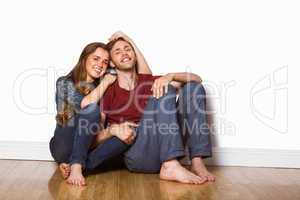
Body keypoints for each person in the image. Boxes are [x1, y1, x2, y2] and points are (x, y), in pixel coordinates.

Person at [97, 37, 215, 184]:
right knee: (164, 89)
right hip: (138, 153)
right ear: (112, 63)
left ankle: (197, 162)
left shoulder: (149, 81)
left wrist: (170, 75)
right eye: (118, 51)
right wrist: (113, 130)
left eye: (128, 49)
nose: (125, 53)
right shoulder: (109, 89)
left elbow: (197, 79)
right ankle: (170, 165)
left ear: (134, 55)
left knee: (193, 87)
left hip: (164, 147)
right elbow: (95, 136)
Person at [49, 33, 152, 186]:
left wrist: (130, 41)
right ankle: (76, 164)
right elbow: (85, 104)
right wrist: (107, 82)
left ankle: (78, 166)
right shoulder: (65, 83)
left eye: (105, 61)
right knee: (92, 110)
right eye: (95, 59)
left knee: (127, 133)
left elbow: (146, 76)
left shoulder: (104, 80)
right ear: (84, 59)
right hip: (64, 145)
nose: (100, 64)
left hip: (88, 145)